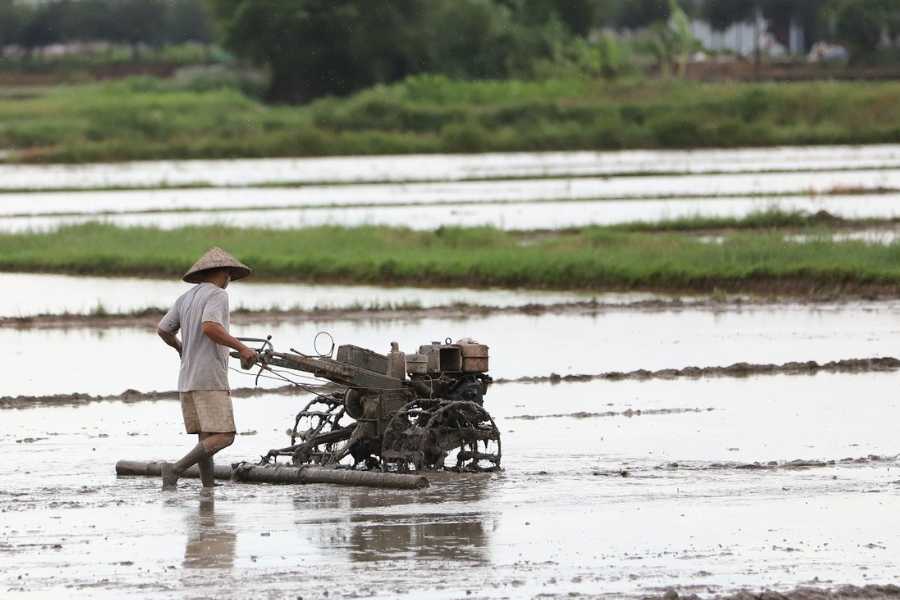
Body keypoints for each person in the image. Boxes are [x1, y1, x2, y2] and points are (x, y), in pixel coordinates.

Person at [156, 247, 258, 491]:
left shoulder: (186, 298)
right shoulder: (218, 295)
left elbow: (163, 330)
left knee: (206, 436)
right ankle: (176, 469)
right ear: (223, 273)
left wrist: (182, 349)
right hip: (209, 378)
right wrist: (242, 348)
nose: (229, 280)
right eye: (229, 275)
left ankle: (208, 489)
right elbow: (210, 327)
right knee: (225, 435)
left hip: (188, 379)